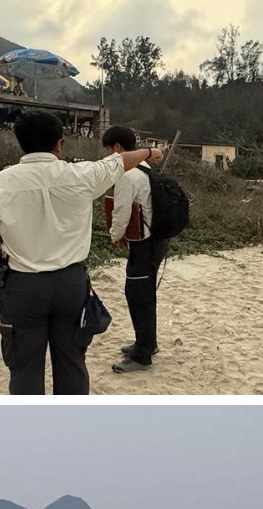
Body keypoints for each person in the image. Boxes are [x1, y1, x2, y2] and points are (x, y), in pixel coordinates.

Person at [0, 111, 165, 395]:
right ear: (60, 143)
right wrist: (150, 151)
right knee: (72, 362)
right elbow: (118, 162)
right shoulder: (81, 175)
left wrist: (2, 268)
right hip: (71, 285)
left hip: (22, 287)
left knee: (24, 366)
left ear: (20, 142)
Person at [103, 125, 171, 374]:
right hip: (157, 241)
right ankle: (147, 343)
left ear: (118, 148)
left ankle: (142, 355)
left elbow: (121, 214)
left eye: (109, 150)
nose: (108, 156)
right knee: (145, 294)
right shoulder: (145, 168)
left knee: (137, 296)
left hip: (143, 244)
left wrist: (114, 236)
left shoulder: (126, 174)